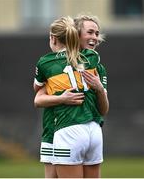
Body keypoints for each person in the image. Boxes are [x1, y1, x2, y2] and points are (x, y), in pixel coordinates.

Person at [34, 15, 109, 178]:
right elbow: (38, 99)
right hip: (53, 129)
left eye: (97, 34)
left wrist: (99, 89)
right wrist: (63, 98)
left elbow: (103, 110)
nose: (95, 38)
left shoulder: (96, 67)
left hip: (69, 129)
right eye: (90, 32)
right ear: (75, 34)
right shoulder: (88, 61)